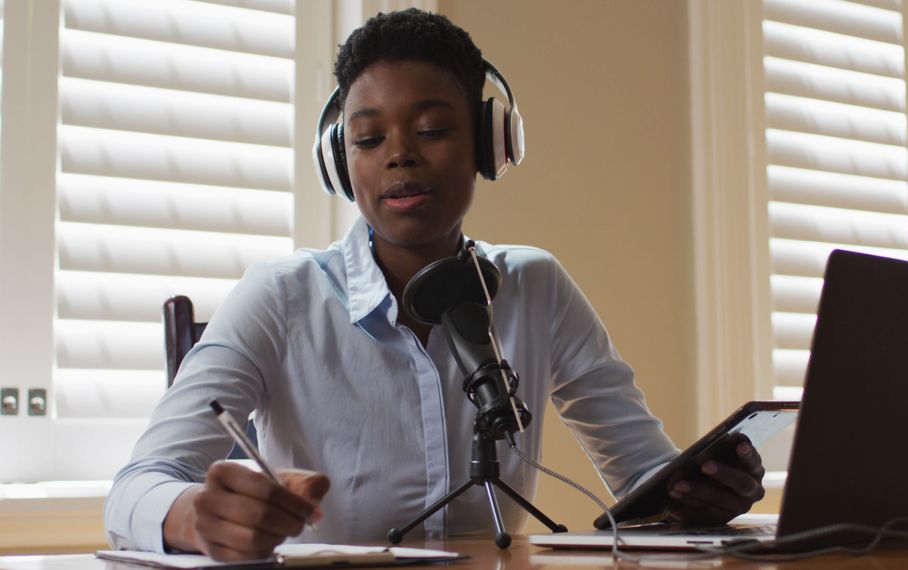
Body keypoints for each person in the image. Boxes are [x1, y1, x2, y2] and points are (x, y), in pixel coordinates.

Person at [104, 9, 765, 561]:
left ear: (488, 141)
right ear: (342, 161)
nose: (400, 154)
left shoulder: (535, 287)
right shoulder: (279, 297)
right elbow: (135, 488)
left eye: (433, 130)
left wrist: (697, 495)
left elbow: (643, 477)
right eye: (368, 138)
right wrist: (196, 516)